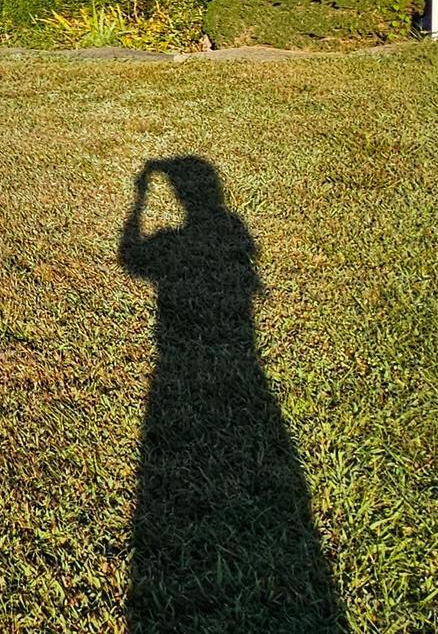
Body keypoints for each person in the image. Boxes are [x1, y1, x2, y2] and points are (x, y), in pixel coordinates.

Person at [118, 157, 347, 633]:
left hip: (176, 361)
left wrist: (140, 198)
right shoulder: (233, 231)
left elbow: (131, 256)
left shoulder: (190, 238)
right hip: (241, 357)